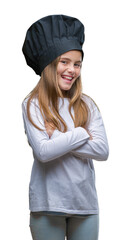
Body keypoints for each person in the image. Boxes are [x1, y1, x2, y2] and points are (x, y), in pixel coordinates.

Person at [22, 15, 109, 240]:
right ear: (50, 65)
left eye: (77, 64)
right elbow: (43, 152)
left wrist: (58, 137)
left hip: (85, 206)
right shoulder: (33, 104)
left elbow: (102, 151)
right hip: (48, 205)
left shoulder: (87, 104)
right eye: (64, 62)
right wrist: (81, 133)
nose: (72, 69)